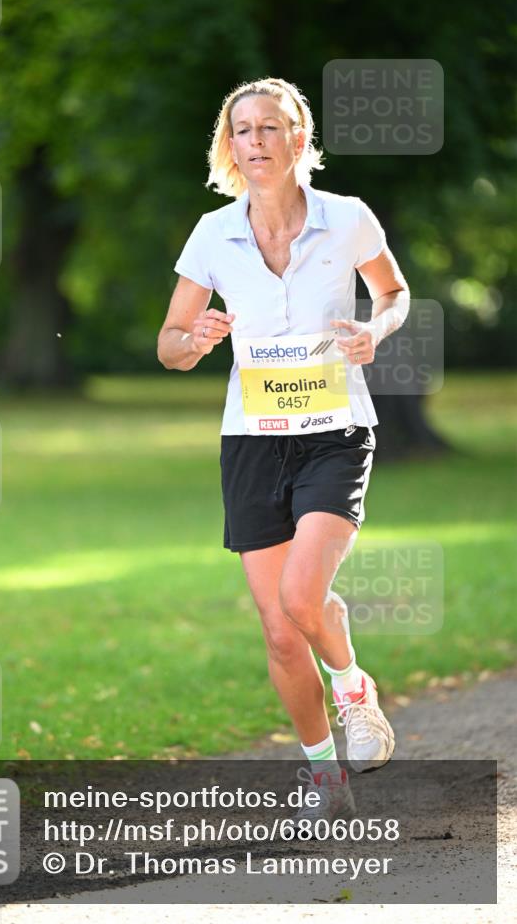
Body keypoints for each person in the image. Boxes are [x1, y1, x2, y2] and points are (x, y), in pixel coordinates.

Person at [157, 77, 410, 820]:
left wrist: (374, 331)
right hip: (252, 442)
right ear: (229, 146)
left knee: (302, 598)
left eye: (270, 127)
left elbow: (393, 293)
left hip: (335, 433)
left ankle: (353, 689)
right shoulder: (213, 234)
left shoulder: (347, 218)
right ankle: (325, 781)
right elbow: (168, 345)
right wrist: (195, 339)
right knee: (278, 630)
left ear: (299, 138)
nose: (256, 141)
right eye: (243, 130)